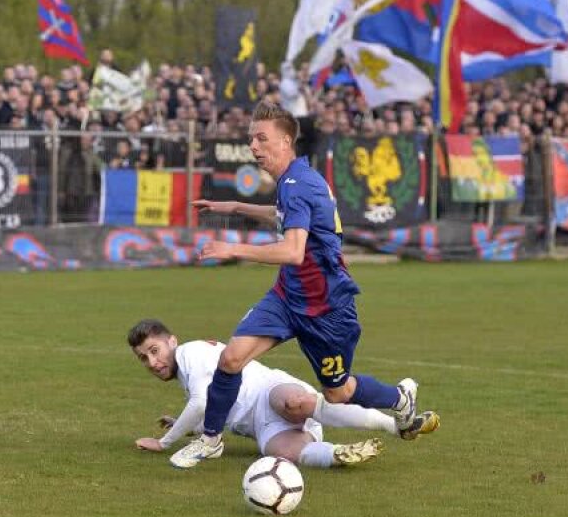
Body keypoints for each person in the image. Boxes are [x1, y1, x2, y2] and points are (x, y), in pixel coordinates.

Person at [172, 101, 436, 469]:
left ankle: (399, 399)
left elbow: (294, 251)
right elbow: (280, 215)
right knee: (231, 358)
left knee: (339, 391)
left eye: (261, 139)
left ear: (285, 141)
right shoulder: (295, 179)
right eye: (251, 139)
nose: (253, 146)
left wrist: (232, 248)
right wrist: (232, 207)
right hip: (287, 297)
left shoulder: (297, 184)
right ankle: (211, 439)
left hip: (327, 307)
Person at [129, 320, 440, 469]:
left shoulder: (188, 354)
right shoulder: (187, 372)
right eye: (144, 358)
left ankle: (392, 424)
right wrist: (184, 426)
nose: (153, 362)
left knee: (296, 403)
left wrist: (164, 443)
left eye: (154, 351)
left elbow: (201, 403)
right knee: (286, 454)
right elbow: (213, 411)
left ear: (172, 341)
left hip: (268, 392)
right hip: (262, 428)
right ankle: (338, 454)